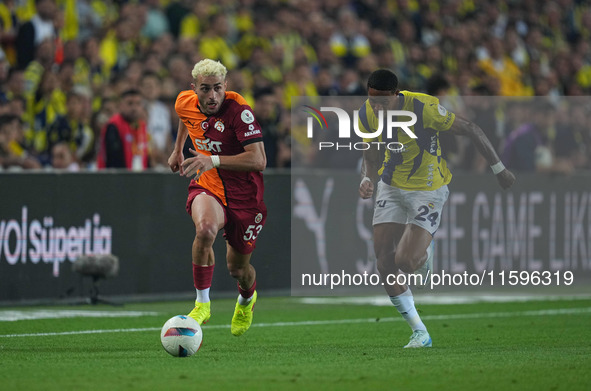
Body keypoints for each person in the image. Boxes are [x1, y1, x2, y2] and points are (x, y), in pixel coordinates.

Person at [358, 69, 515, 348]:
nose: (377, 107)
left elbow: (471, 129)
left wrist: (499, 169)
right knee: (383, 261)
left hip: (427, 188)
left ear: (396, 95)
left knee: (405, 261)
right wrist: (367, 177)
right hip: (391, 187)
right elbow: (370, 153)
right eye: (373, 101)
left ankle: (422, 253)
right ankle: (420, 332)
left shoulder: (424, 107)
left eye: (383, 102)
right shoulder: (366, 113)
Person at [168, 59, 266, 336]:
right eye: (205, 89)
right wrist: (178, 149)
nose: (212, 96)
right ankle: (202, 304)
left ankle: (247, 299)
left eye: (217, 89)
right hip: (209, 186)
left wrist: (213, 159)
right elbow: (185, 118)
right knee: (206, 229)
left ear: (226, 87)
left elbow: (259, 160)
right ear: (194, 89)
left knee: (238, 270)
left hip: (245, 196)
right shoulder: (184, 102)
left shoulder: (239, 112)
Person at [96, 89, 149, 170]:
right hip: (117, 178)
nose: (134, 108)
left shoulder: (142, 126)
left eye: (138, 104)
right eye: (130, 103)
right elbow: (114, 159)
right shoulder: (113, 126)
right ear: (121, 105)